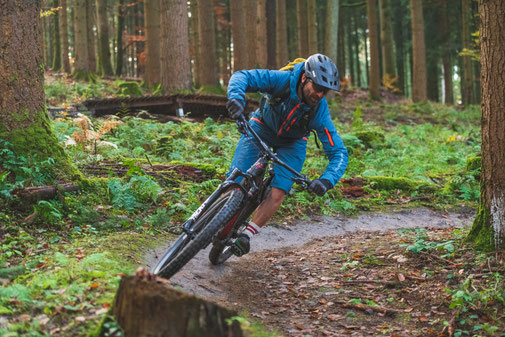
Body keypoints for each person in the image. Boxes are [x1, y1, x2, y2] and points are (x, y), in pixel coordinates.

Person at [226, 53, 348, 256]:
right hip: (262, 126)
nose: (319, 94)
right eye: (317, 88)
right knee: (237, 179)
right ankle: (219, 216)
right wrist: (236, 99)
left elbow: (339, 153)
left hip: (293, 142)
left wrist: (327, 181)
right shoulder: (282, 80)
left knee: (278, 192)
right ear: (304, 78)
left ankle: (246, 234)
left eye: (325, 91)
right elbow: (242, 76)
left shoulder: (319, 112)